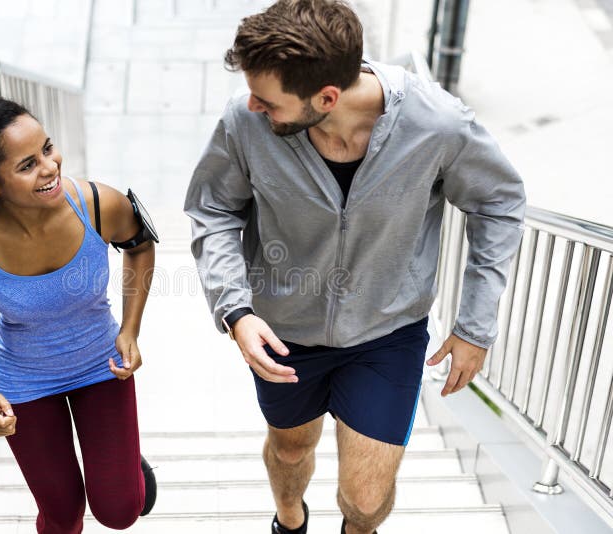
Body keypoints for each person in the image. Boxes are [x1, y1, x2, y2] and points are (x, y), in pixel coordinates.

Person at [184, 1, 526, 533]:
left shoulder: (437, 125)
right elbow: (214, 208)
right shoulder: (244, 121)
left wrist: (475, 325)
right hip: (282, 330)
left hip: (387, 331)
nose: (250, 106)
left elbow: (498, 203)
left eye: (267, 99)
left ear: (326, 97)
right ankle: (289, 519)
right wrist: (236, 311)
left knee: (365, 501)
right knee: (292, 450)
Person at [0, 96, 158, 533]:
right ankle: (110, 465)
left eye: (47, 149)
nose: (50, 167)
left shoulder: (98, 204)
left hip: (101, 366)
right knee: (63, 517)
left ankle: (124, 466)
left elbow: (140, 246)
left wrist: (130, 329)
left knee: (120, 510)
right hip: (25, 383)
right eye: (27, 165)